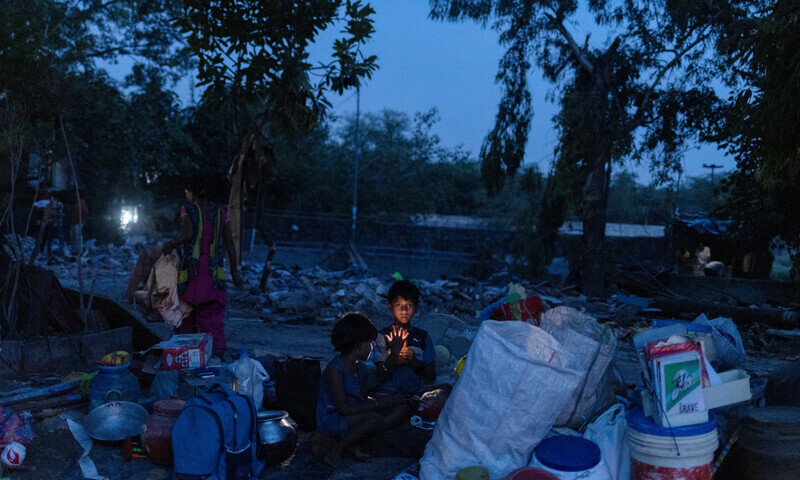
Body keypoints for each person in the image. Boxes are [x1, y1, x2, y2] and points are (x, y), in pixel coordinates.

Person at [161, 178, 243, 357]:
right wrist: (235, 272)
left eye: (187, 191)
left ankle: (185, 354)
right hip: (214, 277)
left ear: (192, 192)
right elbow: (230, 243)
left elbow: (187, 234)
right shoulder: (222, 213)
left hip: (191, 275)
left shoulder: (188, 210)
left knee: (185, 317)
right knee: (212, 317)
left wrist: (170, 244)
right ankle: (216, 353)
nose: (186, 195)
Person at [316, 312, 408, 467]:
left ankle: (354, 442)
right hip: (333, 417)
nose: (371, 348)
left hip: (354, 413)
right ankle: (336, 451)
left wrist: (389, 401)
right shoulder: (335, 370)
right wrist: (378, 404)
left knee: (400, 409)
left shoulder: (362, 368)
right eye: (369, 343)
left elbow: (362, 399)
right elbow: (343, 409)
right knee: (373, 418)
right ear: (357, 345)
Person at [373, 280, 452, 399]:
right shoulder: (382, 336)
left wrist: (414, 361)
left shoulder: (422, 337)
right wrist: (394, 355)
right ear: (390, 307)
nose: (404, 311)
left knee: (447, 388)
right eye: (399, 305)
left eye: (409, 305)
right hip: (389, 392)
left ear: (416, 308)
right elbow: (380, 376)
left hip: (416, 391)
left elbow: (431, 376)